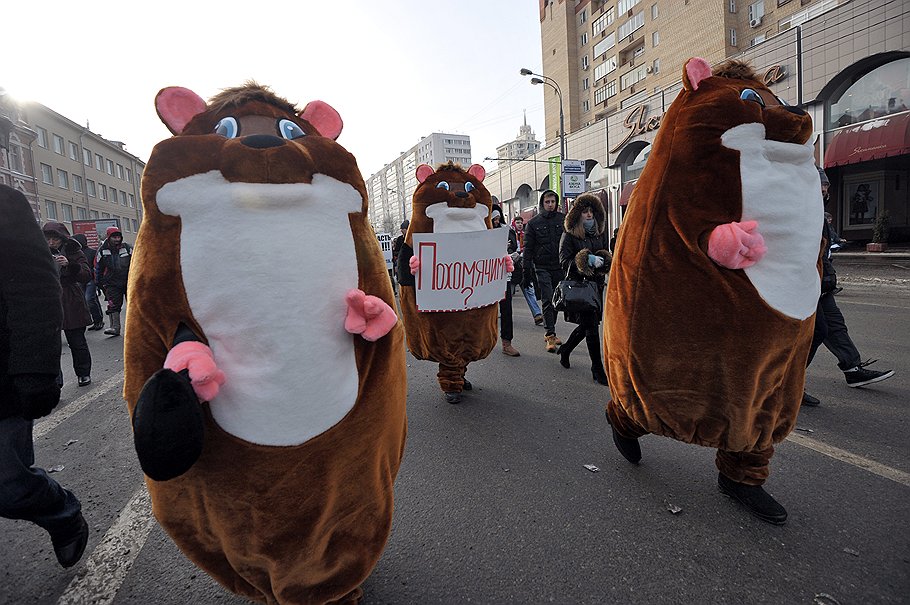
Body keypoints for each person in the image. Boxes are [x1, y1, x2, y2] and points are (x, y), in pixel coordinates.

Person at [0, 184, 90, 568]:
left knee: (8, 485)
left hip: (4, 374)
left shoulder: (5, 204)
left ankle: (63, 514)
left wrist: (37, 370)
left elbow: (36, 287)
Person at [803, 169, 894, 406]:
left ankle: (852, 368)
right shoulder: (804, 211)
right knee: (817, 332)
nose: (825, 190)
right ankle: (787, 383)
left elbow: (825, 250)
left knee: (835, 327)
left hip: (822, 283)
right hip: (809, 284)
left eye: (827, 186)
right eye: (821, 185)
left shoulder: (817, 213)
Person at [556, 193, 611, 384]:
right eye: (585, 212)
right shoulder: (569, 235)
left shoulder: (599, 233)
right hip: (580, 286)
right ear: (578, 214)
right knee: (591, 328)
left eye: (591, 212)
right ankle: (597, 368)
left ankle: (566, 349)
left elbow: (605, 252)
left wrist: (604, 261)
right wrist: (585, 260)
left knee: (589, 325)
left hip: (596, 285)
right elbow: (564, 262)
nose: (589, 215)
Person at [43, 222, 93, 387]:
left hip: (71, 299)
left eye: (54, 239)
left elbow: (86, 274)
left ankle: (83, 373)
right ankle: (55, 380)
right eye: (48, 239)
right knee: (50, 345)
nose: (51, 243)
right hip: (48, 300)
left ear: (62, 239)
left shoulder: (73, 250)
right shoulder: (39, 252)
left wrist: (69, 265)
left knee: (77, 341)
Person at [522, 189, 566, 352]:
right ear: (542, 203)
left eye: (553, 202)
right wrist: (526, 270)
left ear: (556, 203)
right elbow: (528, 248)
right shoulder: (533, 223)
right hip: (541, 267)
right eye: (547, 202)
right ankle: (550, 334)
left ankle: (551, 330)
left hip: (559, 266)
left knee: (556, 301)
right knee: (547, 299)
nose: (550, 205)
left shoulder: (563, 220)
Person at [95, 225, 132, 336]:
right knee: (113, 305)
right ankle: (115, 328)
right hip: (112, 283)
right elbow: (98, 268)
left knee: (133, 305)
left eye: (118, 237)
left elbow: (137, 262)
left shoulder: (127, 248)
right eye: (114, 237)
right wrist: (99, 283)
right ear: (109, 237)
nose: (116, 239)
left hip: (129, 281)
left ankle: (135, 328)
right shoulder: (102, 251)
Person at [493, 205, 519, 356]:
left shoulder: (506, 229)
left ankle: (506, 343)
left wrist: (510, 253)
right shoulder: (481, 230)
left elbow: (514, 247)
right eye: (493, 219)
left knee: (506, 309)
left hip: (503, 275)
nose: (496, 222)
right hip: (484, 277)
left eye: (498, 219)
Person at [512, 215, 543, 325]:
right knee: (508, 294)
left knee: (529, 291)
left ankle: (537, 314)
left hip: (524, 267)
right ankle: (505, 314)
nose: (520, 224)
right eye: (517, 222)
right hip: (512, 268)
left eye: (521, 223)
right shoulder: (510, 235)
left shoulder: (526, 235)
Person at [71, 233, 105, 330]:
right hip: (80, 279)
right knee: (89, 300)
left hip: (91, 279)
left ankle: (98, 320)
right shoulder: (75, 253)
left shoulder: (92, 252)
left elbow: (97, 265)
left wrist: (97, 278)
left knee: (89, 299)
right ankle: (96, 320)